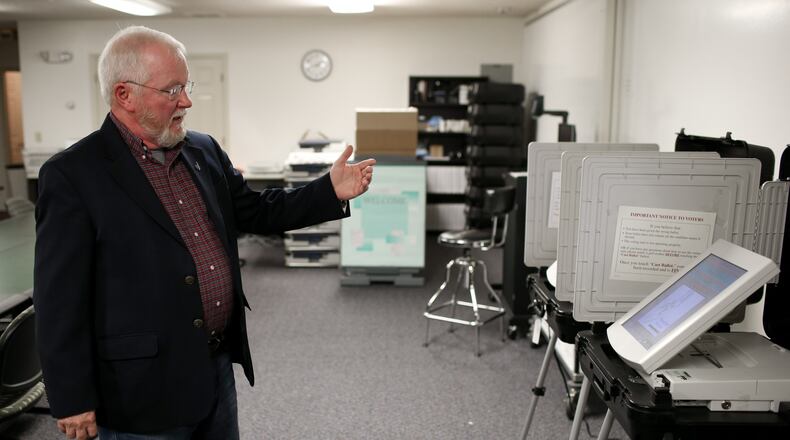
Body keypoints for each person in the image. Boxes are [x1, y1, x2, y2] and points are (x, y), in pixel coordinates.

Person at [33, 26, 375, 440]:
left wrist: (327, 191)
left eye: (187, 86)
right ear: (125, 95)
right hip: (139, 390)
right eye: (172, 89)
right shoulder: (73, 174)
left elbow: (255, 211)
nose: (187, 101)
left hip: (213, 365)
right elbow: (59, 299)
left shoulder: (203, 149)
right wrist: (71, 396)